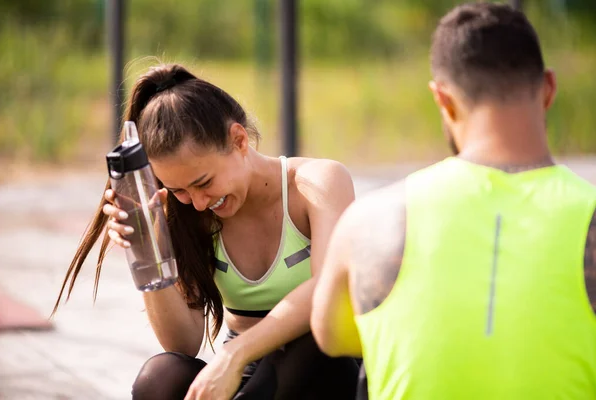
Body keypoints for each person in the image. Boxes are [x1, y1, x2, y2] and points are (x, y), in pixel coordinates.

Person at [311, 2, 596, 400]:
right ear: (548, 89)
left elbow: (332, 338)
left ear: (442, 99)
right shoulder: (589, 212)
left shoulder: (368, 221)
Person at [52, 63, 361, 400]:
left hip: (319, 372)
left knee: (312, 348)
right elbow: (182, 344)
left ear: (239, 140)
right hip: (246, 379)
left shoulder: (317, 183)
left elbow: (328, 291)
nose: (198, 203)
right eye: (179, 190)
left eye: (204, 183)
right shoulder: (185, 212)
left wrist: (235, 353)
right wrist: (150, 251)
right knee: (161, 377)